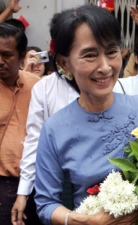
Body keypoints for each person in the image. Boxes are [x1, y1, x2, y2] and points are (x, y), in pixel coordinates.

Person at [33, 5, 138, 225]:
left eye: (112, 52)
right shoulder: (55, 128)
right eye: (90, 55)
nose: (105, 67)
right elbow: (46, 205)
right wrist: (84, 221)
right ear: (65, 63)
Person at [11, 11, 81, 225]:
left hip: (97, 180)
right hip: (55, 182)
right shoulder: (44, 88)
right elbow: (34, 140)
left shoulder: (106, 85)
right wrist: (23, 192)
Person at [0, 23, 40, 225]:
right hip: (2, 183)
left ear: (22, 56)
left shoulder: (37, 86)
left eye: (7, 55)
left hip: (36, 182)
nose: (0, 61)